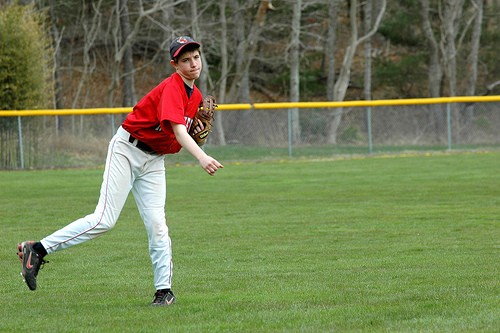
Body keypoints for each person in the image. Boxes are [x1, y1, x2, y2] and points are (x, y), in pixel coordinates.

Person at [17, 36, 223, 306]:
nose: (193, 63)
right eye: (185, 59)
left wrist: (199, 140)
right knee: (104, 219)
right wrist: (201, 155)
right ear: (175, 64)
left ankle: (164, 291)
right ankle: (39, 249)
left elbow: (182, 135)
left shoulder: (194, 96)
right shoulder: (173, 87)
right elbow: (179, 130)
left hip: (153, 161)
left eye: (195, 57)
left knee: (158, 226)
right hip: (127, 150)